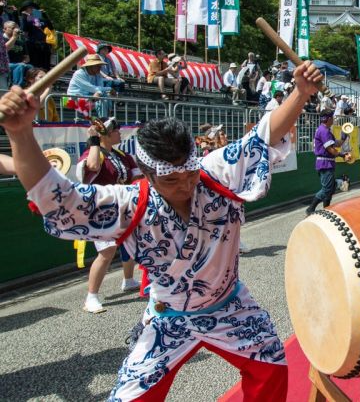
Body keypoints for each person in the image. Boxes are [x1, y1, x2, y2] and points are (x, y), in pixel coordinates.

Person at [0, 60, 324, 400]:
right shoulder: (130, 203)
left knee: (271, 365)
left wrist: (300, 93)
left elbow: (264, 134)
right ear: (149, 175)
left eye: (189, 174)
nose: (185, 185)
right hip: (169, 317)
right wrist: (20, 133)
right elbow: (60, 199)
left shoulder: (214, 172)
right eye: (171, 180)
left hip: (230, 306)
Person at [75, 118, 141, 313]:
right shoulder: (94, 153)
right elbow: (93, 166)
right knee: (107, 251)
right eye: (116, 130)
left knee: (131, 243)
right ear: (105, 134)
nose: (120, 133)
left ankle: (128, 280)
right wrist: (94, 141)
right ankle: (91, 296)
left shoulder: (122, 156)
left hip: (123, 205)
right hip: (102, 209)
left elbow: (137, 177)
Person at [306, 110, 351, 215]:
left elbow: (336, 144)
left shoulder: (325, 130)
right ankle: (311, 208)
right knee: (327, 189)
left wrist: (343, 138)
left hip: (327, 162)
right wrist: (342, 155)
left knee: (330, 188)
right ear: (329, 119)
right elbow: (331, 149)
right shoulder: (324, 131)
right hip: (325, 163)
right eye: (332, 118)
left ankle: (327, 209)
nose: (333, 119)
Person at [18, 0, 53, 70]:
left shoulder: (41, 19)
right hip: (32, 45)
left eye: (33, 8)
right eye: (30, 8)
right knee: (34, 67)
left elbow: (51, 27)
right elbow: (24, 29)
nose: (32, 9)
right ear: (25, 9)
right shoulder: (24, 18)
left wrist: (45, 15)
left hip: (44, 45)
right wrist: (25, 16)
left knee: (46, 67)